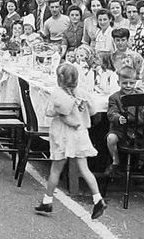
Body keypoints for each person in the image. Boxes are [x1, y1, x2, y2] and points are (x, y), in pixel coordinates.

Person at [34, 63, 107, 220]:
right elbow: (94, 112)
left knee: (56, 169)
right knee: (84, 168)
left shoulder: (58, 94)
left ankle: (47, 201)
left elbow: (50, 112)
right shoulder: (84, 93)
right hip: (80, 133)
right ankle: (97, 198)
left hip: (63, 135)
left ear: (59, 79)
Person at [104, 66, 140, 176]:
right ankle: (116, 161)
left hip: (138, 130)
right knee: (111, 138)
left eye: (131, 83)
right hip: (120, 130)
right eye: (124, 83)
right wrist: (118, 117)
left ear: (135, 82)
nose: (128, 86)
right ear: (118, 82)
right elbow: (111, 112)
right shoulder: (114, 97)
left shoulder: (141, 96)